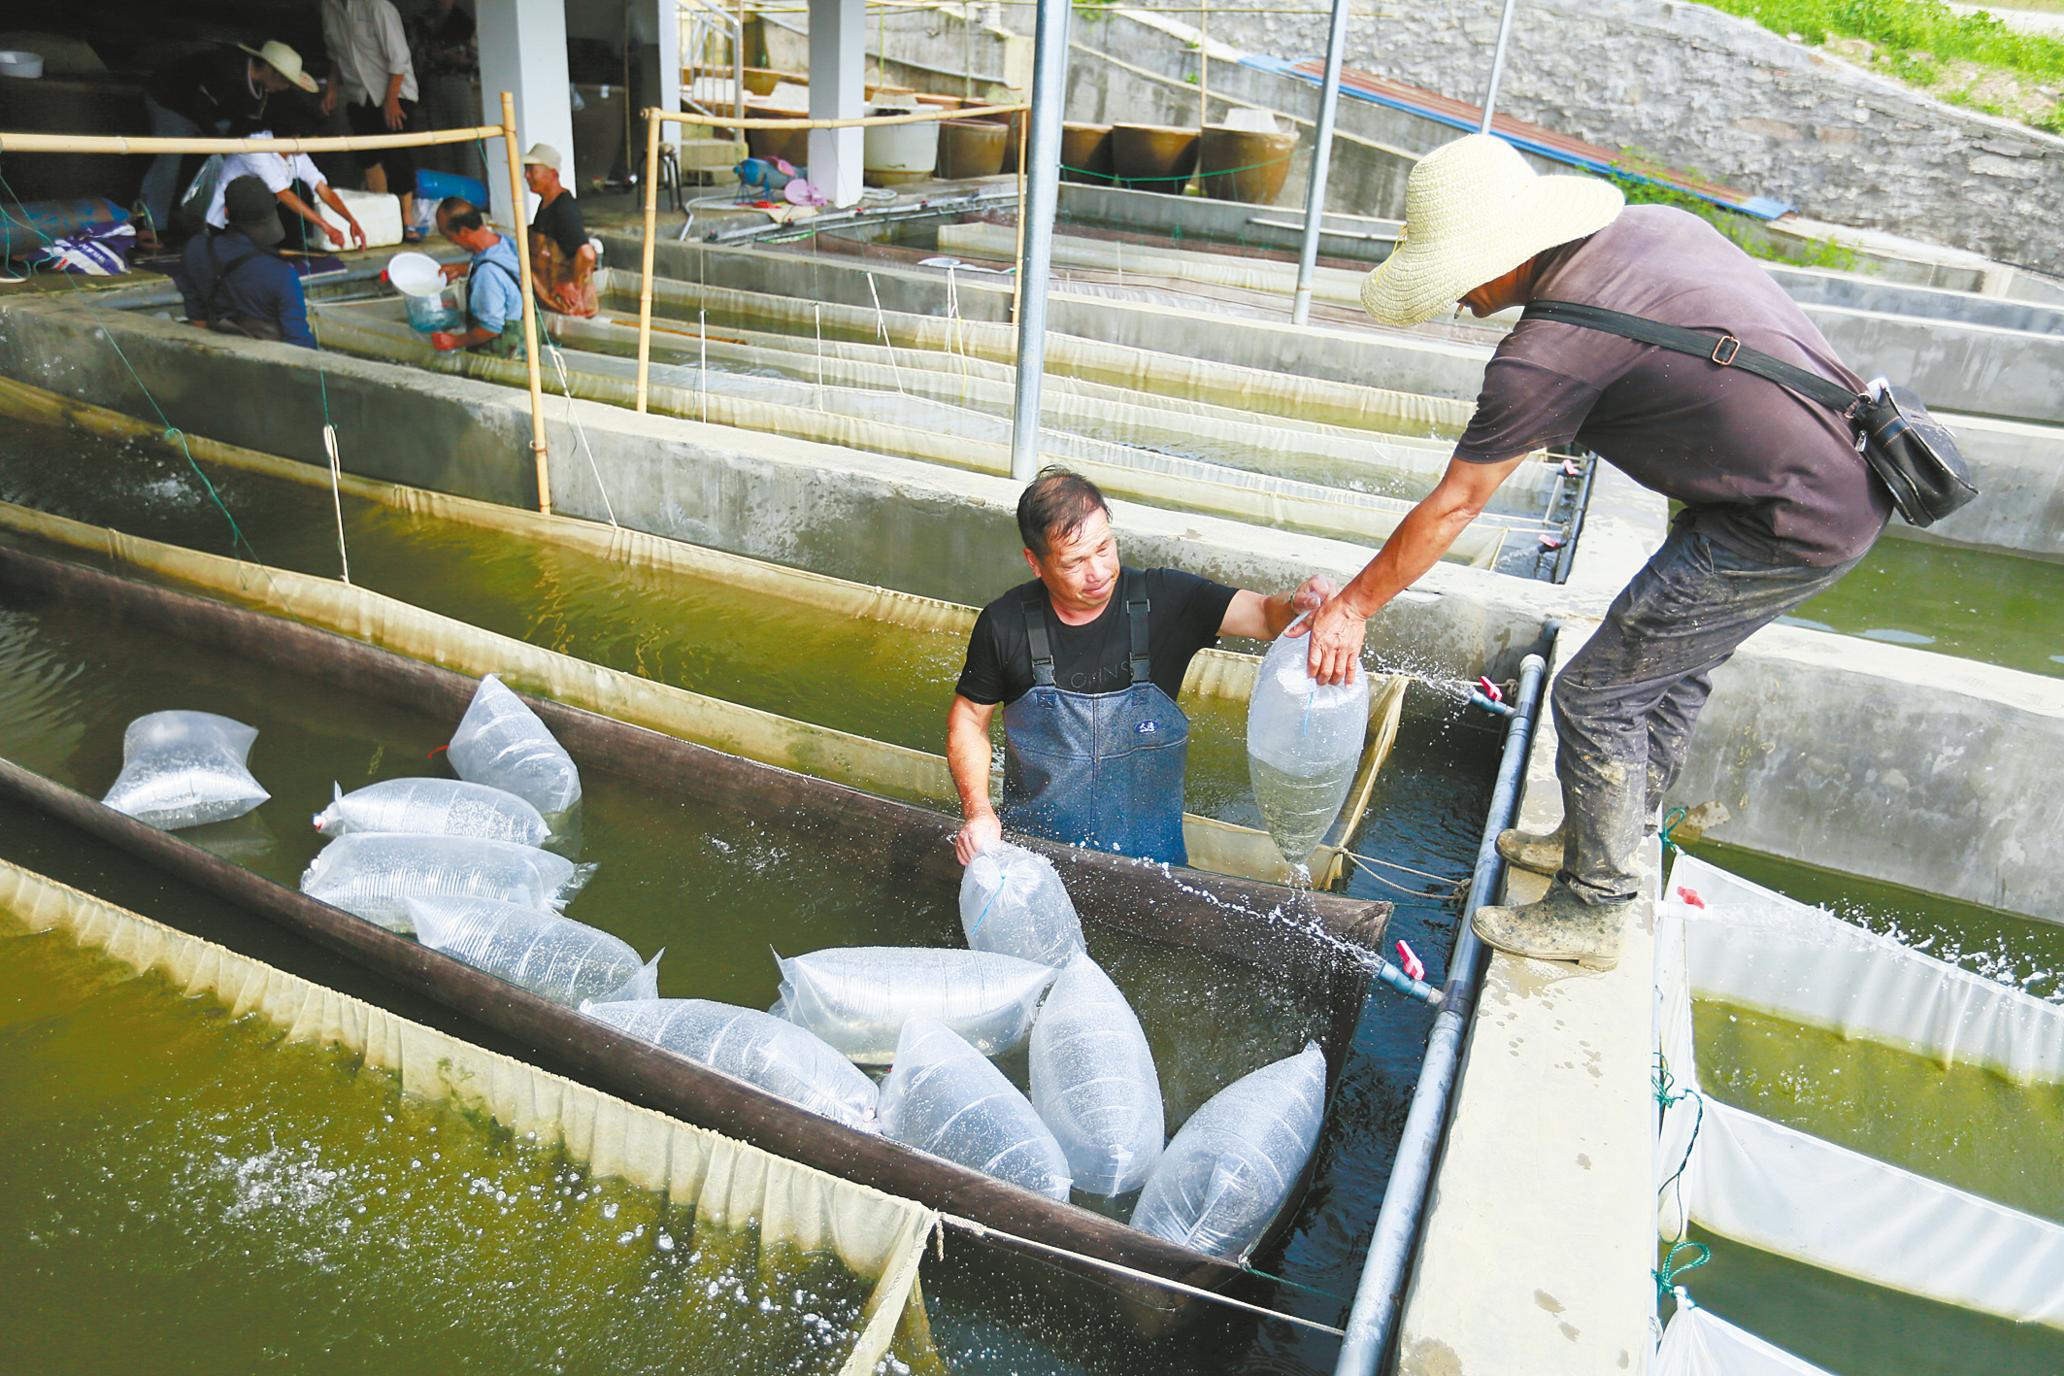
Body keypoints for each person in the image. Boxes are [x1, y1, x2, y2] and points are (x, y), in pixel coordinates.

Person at [1298, 134, 1890, 971]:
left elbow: (1457, 502)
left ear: (1504, 258)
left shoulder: (1545, 356)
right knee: (1665, 669)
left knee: (1597, 694)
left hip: (1788, 517)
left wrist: (1352, 606)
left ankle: (1596, 904)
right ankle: (1604, 829)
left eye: (1459, 279)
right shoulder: (1647, 232)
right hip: (1818, 480)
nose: (1460, 302)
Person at [949, 467, 1332, 868]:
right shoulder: (1004, 623)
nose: (1097, 572)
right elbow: (968, 722)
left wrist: (1296, 602)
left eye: (1103, 548)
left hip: (1153, 875)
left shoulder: (1164, 600)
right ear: (1035, 563)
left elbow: (1264, 615)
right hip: (1033, 865)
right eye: (1074, 562)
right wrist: (979, 813)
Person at [141, 40, 319, 238]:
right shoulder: (225, 68)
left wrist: (231, 148)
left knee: (228, 162)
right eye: (285, 80)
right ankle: (152, 226)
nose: (286, 87)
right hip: (170, 101)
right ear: (271, 70)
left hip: (211, 115)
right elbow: (199, 106)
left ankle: (199, 222)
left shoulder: (261, 93)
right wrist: (221, 144)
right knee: (169, 161)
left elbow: (244, 124)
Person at [319, 0, 422, 240]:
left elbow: (399, 59)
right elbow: (335, 55)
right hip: (360, 94)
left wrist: (391, 100)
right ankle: (384, 217)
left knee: (397, 156)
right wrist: (331, 89)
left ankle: (406, 219)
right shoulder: (330, 7)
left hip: (396, 92)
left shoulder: (377, 7)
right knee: (367, 157)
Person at [174, 175, 316, 349]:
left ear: (226, 212)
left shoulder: (195, 250)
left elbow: (197, 317)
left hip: (218, 355)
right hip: (269, 364)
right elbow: (300, 343)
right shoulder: (282, 275)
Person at [202, 131, 366, 253]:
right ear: (296, 137)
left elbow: (322, 188)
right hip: (224, 219)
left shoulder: (298, 153)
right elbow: (283, 193)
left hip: (255, 223)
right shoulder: (256, 145)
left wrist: (351, 220)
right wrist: (326, 227)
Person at [430, 197, 525, 357]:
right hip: (524, 341)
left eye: (450, 237)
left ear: (464, 231)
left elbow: (491, 328)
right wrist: (465, 269)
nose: (452, 243)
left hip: (503, 354)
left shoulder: (486, 273)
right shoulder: (505, 243)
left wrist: (454, 341)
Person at [522, 144, 598, 318]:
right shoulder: (545, 204)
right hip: (551, 300)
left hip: (569, 305)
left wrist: (571, 283)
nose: (526, 176)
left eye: (532, 171)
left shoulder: (564, 208)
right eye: (526, 170)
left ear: (553, 174)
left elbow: (587, 254)